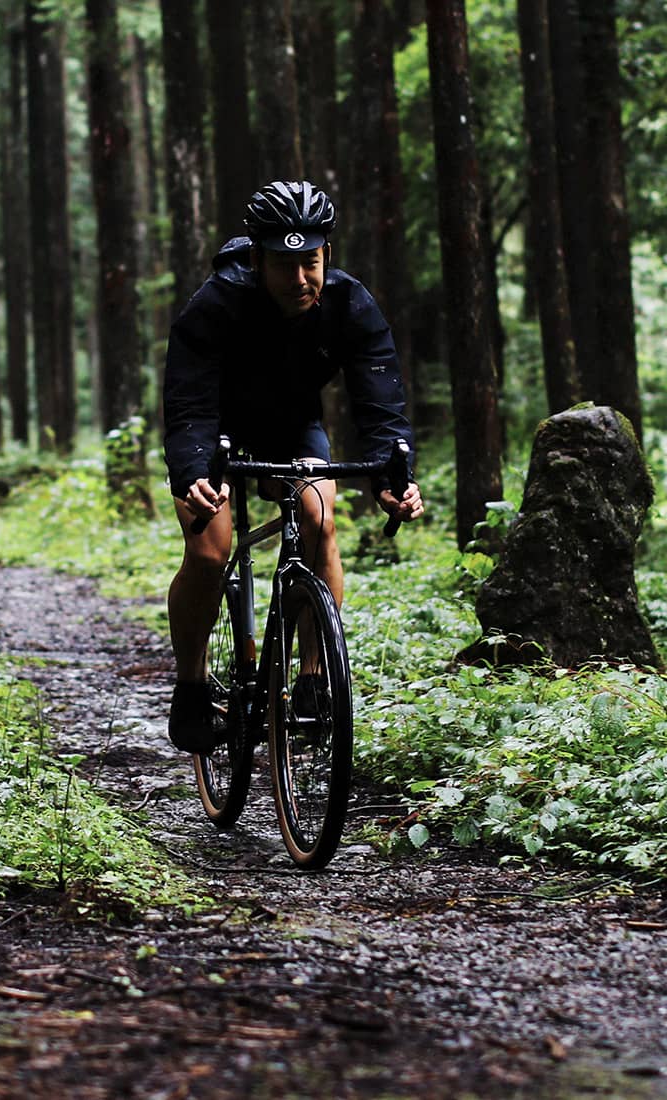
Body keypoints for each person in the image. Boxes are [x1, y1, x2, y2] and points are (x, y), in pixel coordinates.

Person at [162, 179, 424, 753]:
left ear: (326, 254)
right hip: (216, 429)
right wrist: (193, 473)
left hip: (291, 424)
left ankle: (311, 681)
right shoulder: (217, 304)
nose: (301, 279)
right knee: (209, 548)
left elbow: (381, 403)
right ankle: (190, 684)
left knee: (319, 517)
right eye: (285, 265)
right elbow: (188, 404)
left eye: (311, 262)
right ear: (257, 260)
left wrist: (392, 480)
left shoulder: (350, 304)